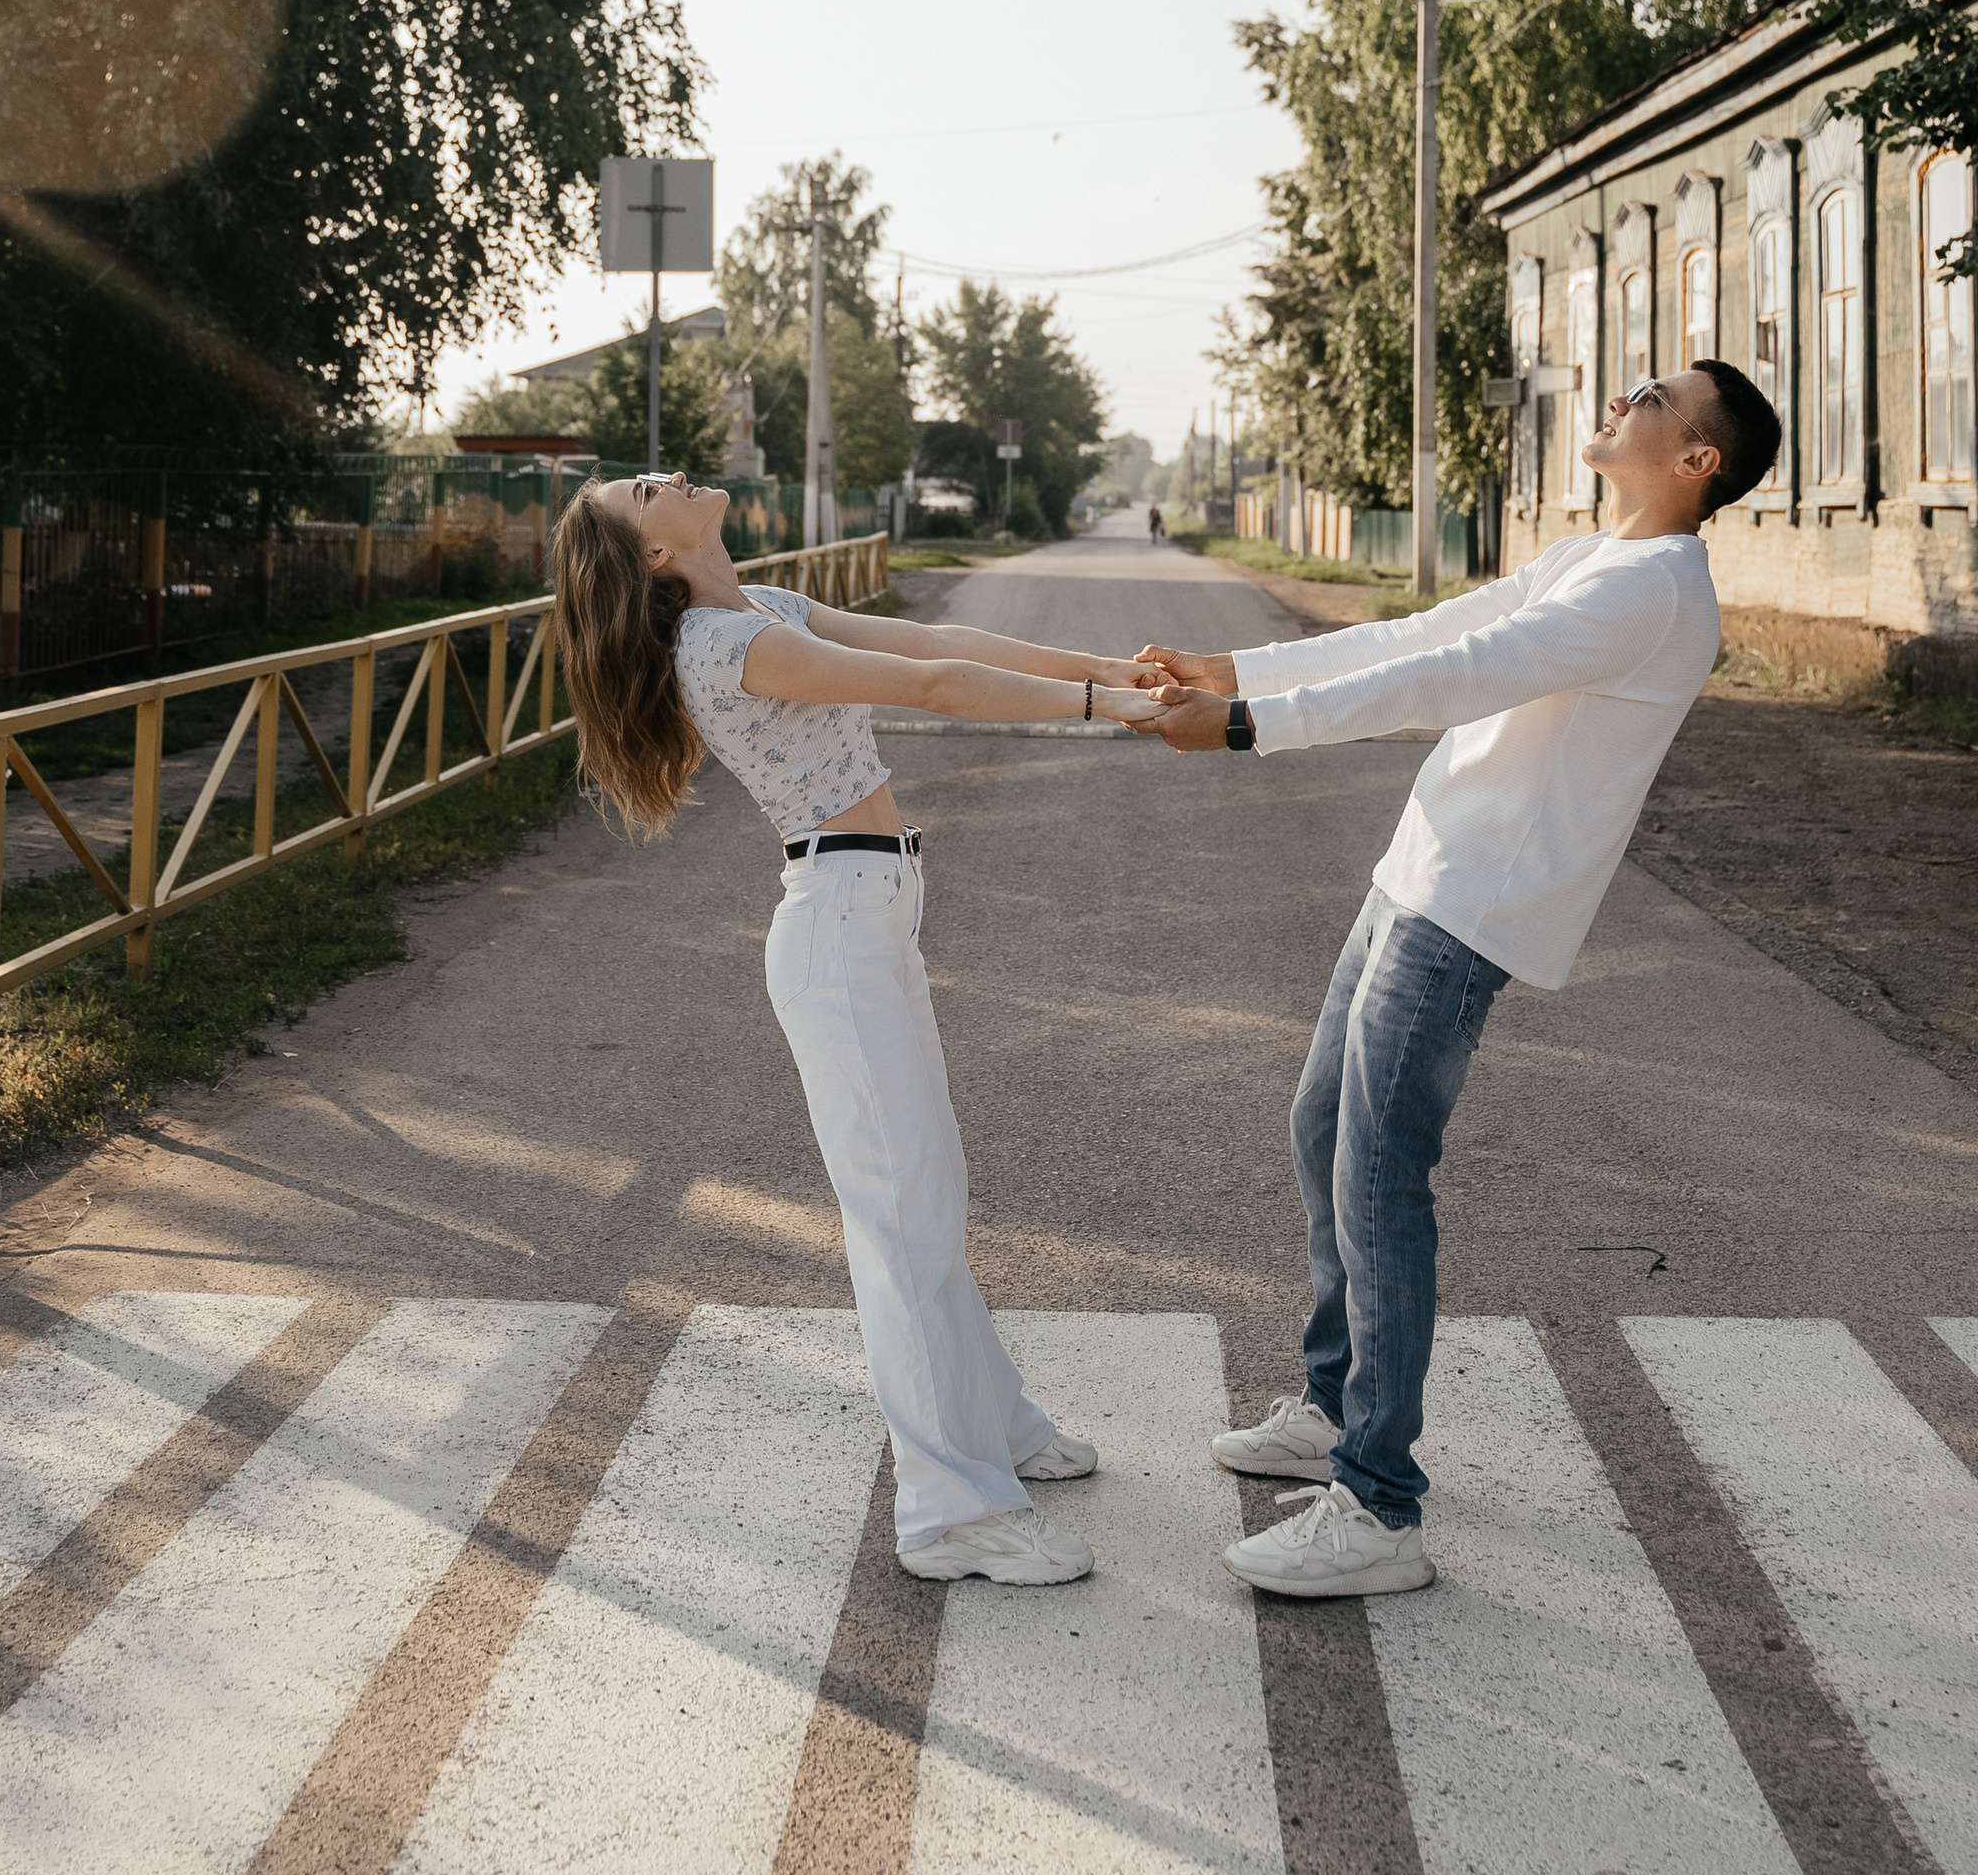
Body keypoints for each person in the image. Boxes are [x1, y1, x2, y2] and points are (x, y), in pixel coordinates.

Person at [1139, 361, 1783, 1603]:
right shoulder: (1595, 557)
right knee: (1323, 1124)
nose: (1623, 397)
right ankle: (1333, 1412)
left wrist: (1242, 729)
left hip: (1470, 908)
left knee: (1380, 1172)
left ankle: (1378, 1504)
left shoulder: (1650, 591)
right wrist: (1235, 671)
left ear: (1697, 460)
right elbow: (1428, 635)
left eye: (1653, 396)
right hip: (1418, 873)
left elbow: (1450, 682)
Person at [549, 472, 1164, 1586]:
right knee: (902, 1217)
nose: (669, 472)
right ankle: (950, 1514)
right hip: (836, 926)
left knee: (927, 1190)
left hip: (869, 910)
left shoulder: (768, 609)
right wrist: (1104, 711)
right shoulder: (722, 648)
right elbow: (930, 682)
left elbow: (953, 639)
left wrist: (1107, 670)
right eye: (646, 489)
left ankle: (998, 1427)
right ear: (650, 557)